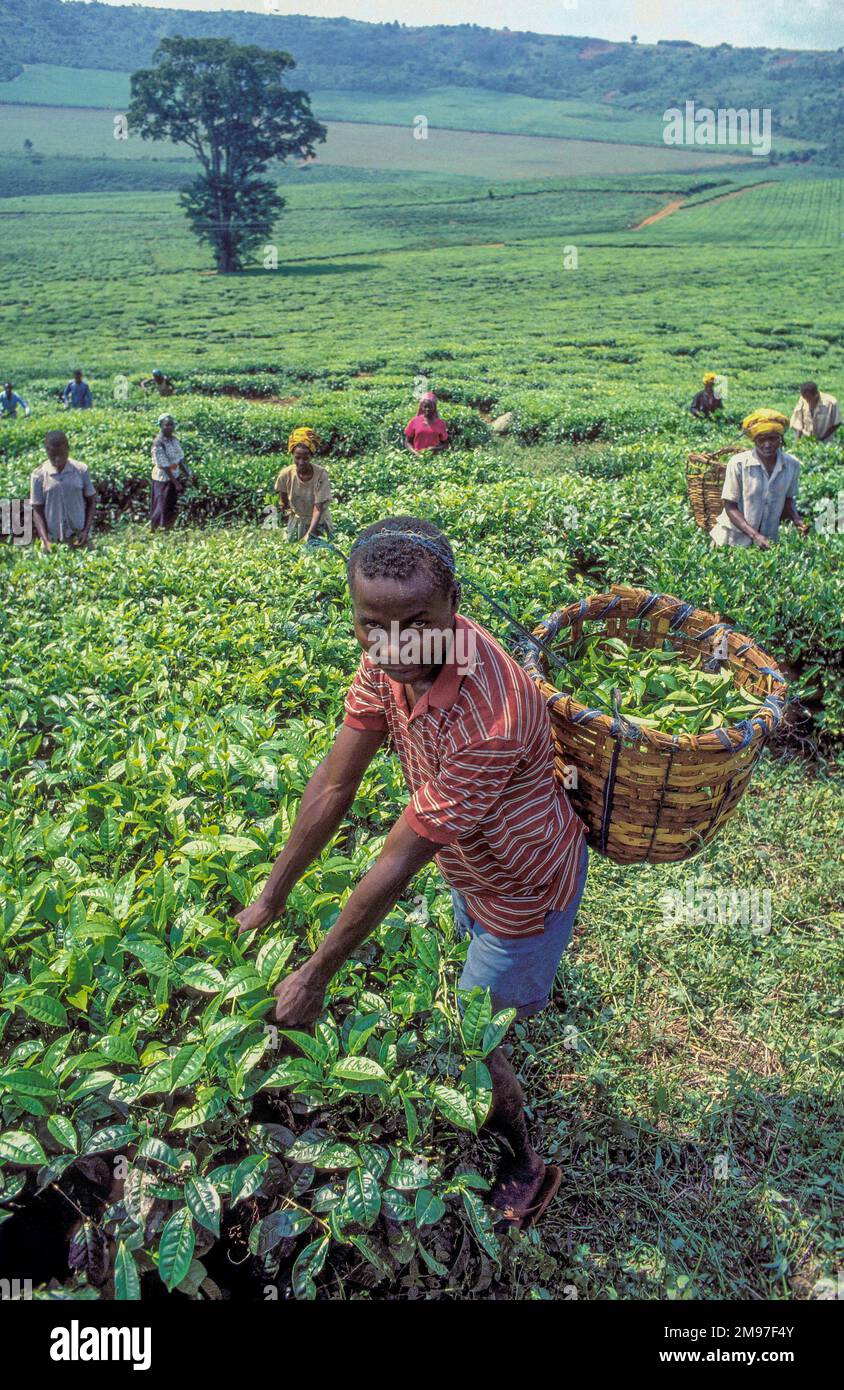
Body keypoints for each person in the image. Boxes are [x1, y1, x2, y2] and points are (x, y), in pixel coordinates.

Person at [236, 516, 589, 1230]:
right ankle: (520, 996)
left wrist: (315, 974)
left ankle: (525, 1165)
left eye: (416, 622)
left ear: (452, 604)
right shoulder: (389, 656)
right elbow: (334, 786)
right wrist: (269, 897)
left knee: (473, 1040)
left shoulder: (492, 713)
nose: (394, 645)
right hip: (470, 866)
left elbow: (398, 857)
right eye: (372, 623)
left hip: (523, 885)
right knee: (479, 981)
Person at [710, 409, 809, 550]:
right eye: (761, 439)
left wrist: (797, 519)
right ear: (754, 440)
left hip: (767, 541)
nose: (767, 444)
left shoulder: (792, 465)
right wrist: (755, 535)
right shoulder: (738, 464)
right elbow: (730, 506)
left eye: (773, 438)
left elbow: (788, 499)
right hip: (731, 540)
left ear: (781, 439)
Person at [29, 430, 96, 552]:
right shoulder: (38, 475)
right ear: (47, 451)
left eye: (61, 454)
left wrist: (86, 531)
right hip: (53, 540)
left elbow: (91, 502)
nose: (57, 459)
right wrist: (45, 541)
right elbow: (37, 511)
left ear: (68, 449)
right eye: (52, 455)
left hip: (80, 536)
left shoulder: (81, 470)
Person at [275, 427, 334, 543]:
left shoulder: (321, 475)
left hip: (319, 522)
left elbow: (318, 508)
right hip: (297, 522)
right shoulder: (285, 475)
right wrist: (285, 517)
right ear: (292, 455)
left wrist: (310, 534)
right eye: (297, 458)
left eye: (305, 458)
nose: (301, 462)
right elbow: (284, 501)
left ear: (311, 456)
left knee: (323, 554)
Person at [150, 415, 189, 532]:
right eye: (166, 425)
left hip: (174, 475)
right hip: (162, 478)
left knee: (170, 503)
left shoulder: (174, 440)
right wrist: (176, 483)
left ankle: (167, 527)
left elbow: (180, 459)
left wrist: (188, 474)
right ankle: (157, 529)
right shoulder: (158, 443)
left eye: (171, 424)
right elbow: (164, 465)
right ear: (161, 426)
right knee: (161, 505)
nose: (169, 427)